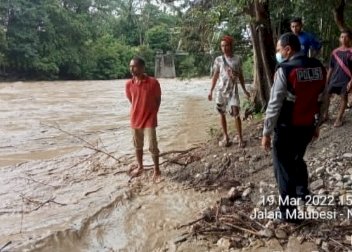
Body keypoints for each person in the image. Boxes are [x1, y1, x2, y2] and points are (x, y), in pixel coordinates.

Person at [261, 33, 327, 223]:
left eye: (279, 50)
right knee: (297, 158)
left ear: (288, 49)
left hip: (287, 128)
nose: (279, 54)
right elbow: (323, 99)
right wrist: (318, 124)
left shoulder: (286, 69)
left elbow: (274, 104)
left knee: (282, 168)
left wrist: (266, 132)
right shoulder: (318, 67)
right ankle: (302, 192)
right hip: (307, 127)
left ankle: (288, 212)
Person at [208, 35, 250, 148]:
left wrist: (245, 90)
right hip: (221, 91)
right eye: (222, 46)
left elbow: (240, 75)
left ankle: (240, 138)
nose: (224, 48)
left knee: (236, 113)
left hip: (233, 91)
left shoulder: (238, 59)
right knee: (222, 114)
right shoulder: (218, 60)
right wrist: (211, 91)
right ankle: (226, 137)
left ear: (231, 46)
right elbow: (215, 76)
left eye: (226, 45)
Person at [125, 56, 161, 182]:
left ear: (142, 67)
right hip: (135, 119)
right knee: (137, 145)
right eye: (130, 66)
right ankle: (140, 167)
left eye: (134, 66)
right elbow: (132, 100)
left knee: (152, 145)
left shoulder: (153, 82)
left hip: (150, 119)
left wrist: (153, 113)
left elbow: (158, 100)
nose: (132, 69)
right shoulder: (129, 84)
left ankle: (157, 170)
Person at [323, 30, 352, 127]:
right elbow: (330, 68)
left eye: (346, 37)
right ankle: (325, 114)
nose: (343, 39)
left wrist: (351, 81)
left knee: (344, 98)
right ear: (339, 39)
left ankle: (339, 119)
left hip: (346, 80)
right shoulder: (335, 52)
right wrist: (327, 81)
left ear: (350, 39)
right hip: (334, 79)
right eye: (342, 37)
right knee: (327, 95)